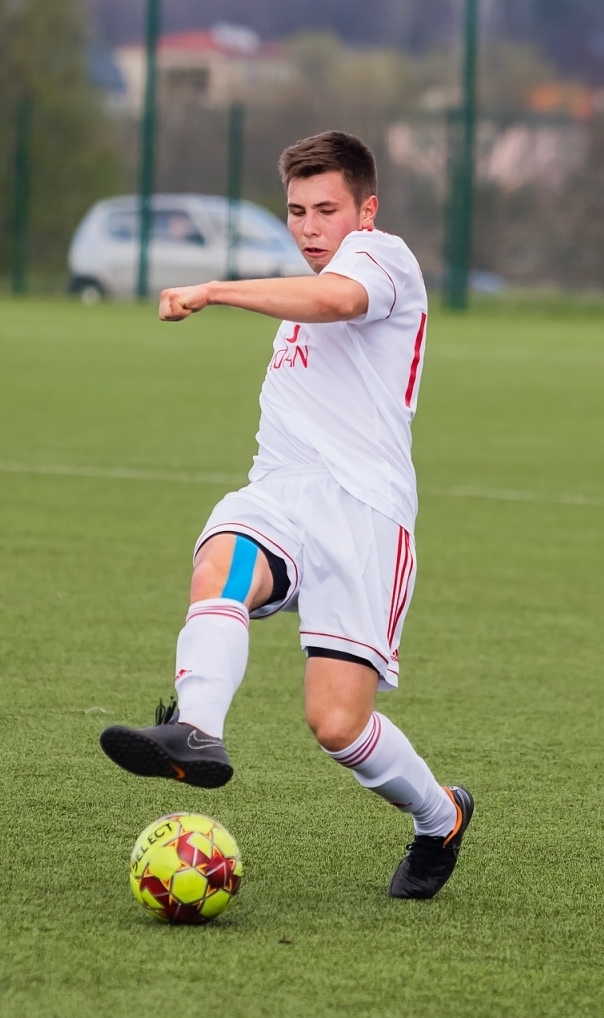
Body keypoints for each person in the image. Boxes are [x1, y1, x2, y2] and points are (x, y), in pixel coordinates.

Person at [99, 131, 471, 899]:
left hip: (364, 516)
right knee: (222, 564)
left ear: (365, 210)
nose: (308, 227)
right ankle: (197, 727)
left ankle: (440, 819)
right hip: (280, 493)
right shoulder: (305, 290)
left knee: (337, 726)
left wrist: (213, 289)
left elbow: (337, 300)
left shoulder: (383, 259)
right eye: (296, 210)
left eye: (326, 210)